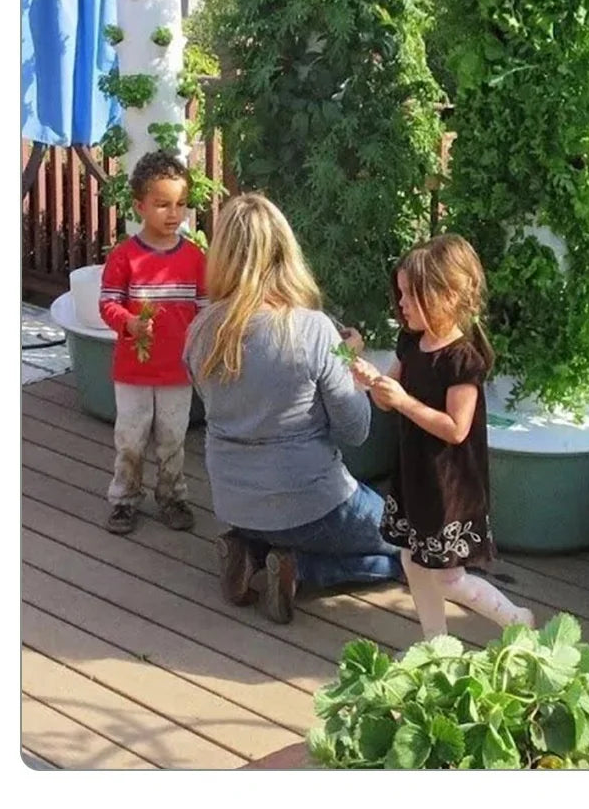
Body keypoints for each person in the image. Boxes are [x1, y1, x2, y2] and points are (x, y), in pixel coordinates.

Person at [183, 192, 402, 625]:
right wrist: (346, 358)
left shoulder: (200, 330)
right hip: (312, 503)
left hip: (234, 502)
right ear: (285, 253)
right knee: (414, 547)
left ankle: (249, 551)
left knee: (282, 525)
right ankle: (300, 569)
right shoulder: (312, 329)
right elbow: (356, 429)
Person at [349, 234, 534, 639]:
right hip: (416, 475)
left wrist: (402, 401)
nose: (401, 304)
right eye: (400, 294)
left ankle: (516, 619)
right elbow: (387, 401)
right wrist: (372, 380)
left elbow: (456, 428)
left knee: (449, 578)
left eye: (410, 296)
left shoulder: (461, 359)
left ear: (446, 296)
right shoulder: (411, 342)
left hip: (450, 485)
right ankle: (435, 644)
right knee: (411, 560)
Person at [98, 150, 207, 536]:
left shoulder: (195, 258)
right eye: (162, 204)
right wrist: (128, 323)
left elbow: (205, 310)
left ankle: (172, 496)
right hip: (133, 372)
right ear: (139, 206)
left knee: (173, 439)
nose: (174, 213)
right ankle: (125, 498)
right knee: (130, 438)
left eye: (181, 203)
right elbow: (107, 304)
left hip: (177, 371)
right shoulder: (124, 257)